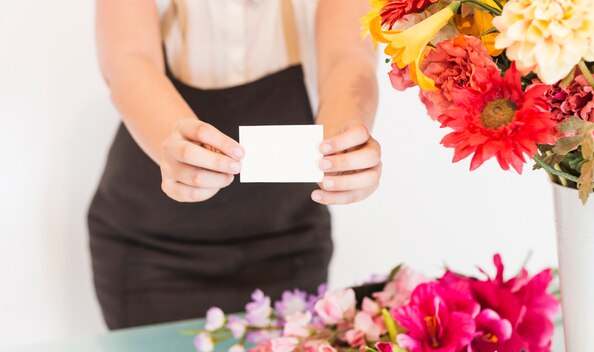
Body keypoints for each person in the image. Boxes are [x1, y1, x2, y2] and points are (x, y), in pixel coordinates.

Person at [89, 0, 381, 329]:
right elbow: (128, 59)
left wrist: (345, 141)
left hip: (288, 240)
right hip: (154, 248)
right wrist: (173, 139)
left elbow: (348, 56)